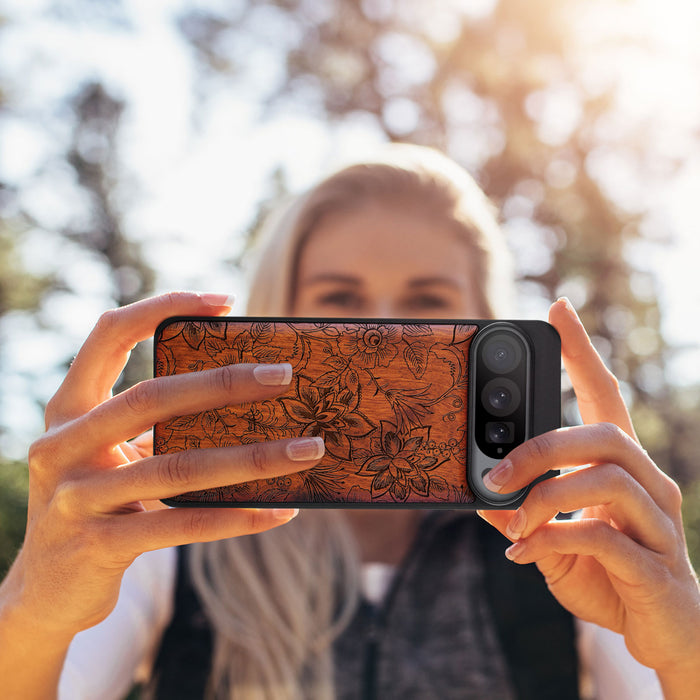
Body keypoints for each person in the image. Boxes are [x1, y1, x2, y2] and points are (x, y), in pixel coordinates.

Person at [0, 145, 698, 700]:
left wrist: (685, 648)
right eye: (339, 298)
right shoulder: (171, 535)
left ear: (487, 323)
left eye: (427, 302)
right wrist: (34, 607)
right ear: (279, 314)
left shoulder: (567, 543)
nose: (382, 329)